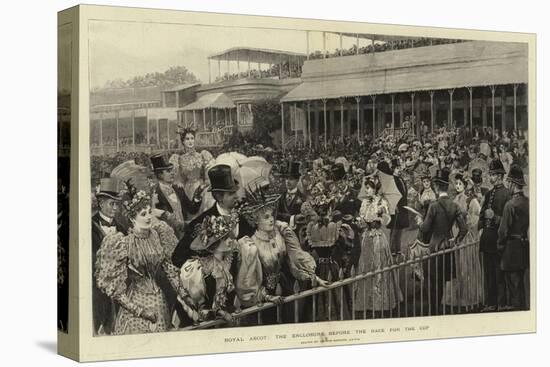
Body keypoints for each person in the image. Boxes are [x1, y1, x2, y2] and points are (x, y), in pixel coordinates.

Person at [95, 190, 193, 335]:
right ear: (132, 219)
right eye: (143, 214)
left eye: (149, 212)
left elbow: (169, 269)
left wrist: (185, 295)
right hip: (136, 303)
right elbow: (116, 291)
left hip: (160, 301)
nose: (148, 217)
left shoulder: (158, 235)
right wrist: (140, 311)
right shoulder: (123, 243)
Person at [239, 187, 328, 324]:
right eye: (266, 217)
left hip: (286, 290)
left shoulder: (280, 234)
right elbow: (248, 283)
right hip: (265, 299)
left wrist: (314, 277)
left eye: (272, 215)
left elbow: (293, 262)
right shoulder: (250, 245)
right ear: (256, 221)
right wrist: (267, 297)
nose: (271, 220)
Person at [172, 164, 255, 268]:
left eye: (235, 192)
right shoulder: (200, 223)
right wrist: (207, 266)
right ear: (219, 197)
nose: (236, 196)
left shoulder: (242, 216)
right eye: (231, 194)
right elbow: (178, 258)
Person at [417, 167, 468, 315]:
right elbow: (463, 229)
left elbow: (425, 229)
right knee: (442, 280)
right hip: (447, 247)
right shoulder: (454, 205)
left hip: (434, 246)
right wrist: (456, 241)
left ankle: (433, 309)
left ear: (437, 187)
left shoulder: (433, 206)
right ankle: (438, 307)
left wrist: (420, 221)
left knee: (432, 281)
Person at [355, 177, 402, 316]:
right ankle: (367, 301)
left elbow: (388, 220)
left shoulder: (381, 202)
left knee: (379, 265)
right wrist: (361, 222)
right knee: (366, 265)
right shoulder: (364, 202)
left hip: (378, 237)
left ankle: (380, 300)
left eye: (369, 188)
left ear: (375, 188)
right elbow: (362, 219)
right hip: (367, 237)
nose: (366, 190)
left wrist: (381, 216)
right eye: (366, 188)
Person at [442, 173, 483, 309]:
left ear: (465, 185)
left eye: (460, 184)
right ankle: (457, 298)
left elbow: (477, 217)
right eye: (457, 184)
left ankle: (469, 297)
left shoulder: (471, 200)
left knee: (466, 266)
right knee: (457, 267)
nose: (458, 186)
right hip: (456, 233)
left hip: (466, 237)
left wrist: (466, 219)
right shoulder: (454, 200)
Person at [91, 178, 124, 335]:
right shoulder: (89, 227)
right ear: (101, 203)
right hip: (96, 288)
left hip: (120, 287)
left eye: (117, 204)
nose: (115, 208)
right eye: (112, 203)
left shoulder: (123, 228)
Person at [478, 159, 510, 312]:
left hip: (498, 239)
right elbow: (481, 216)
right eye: (490, 174)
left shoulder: (507, 194)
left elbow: (509, 221)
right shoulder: (489, 193)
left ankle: (501, 303)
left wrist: (495, 217)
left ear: (499, 176)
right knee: (489, 274)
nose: (489, 177)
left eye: (492, 174)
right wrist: (482, 221)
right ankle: (491, 303)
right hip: (487, 239)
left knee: (499, 274)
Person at [498, 164, 529, 310]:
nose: (507, 185)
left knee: (513, 285)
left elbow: (503, 231)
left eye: (508, 182)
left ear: (512, 184)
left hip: (510, 249)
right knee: (521, 284)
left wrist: (500, 244)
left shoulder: (510, 205)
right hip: (523, 246)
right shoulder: (528, 202)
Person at [150, 153, 203, 238]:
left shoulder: (178, 189)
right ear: (159, 174)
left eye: (172, 170)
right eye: (168, 171)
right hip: (167, 237)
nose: (172, 173)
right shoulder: (154, 193)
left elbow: (192, 210)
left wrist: (197, 195)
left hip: (183, 235)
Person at [169, 127, 215, 221]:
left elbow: (207, 173)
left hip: (202, 187)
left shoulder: (202, 155)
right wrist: (180, 182)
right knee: (193, 215)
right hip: (188, 189)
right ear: (183, 141)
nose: (190, 141)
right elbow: (178, 178)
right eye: (187, 139)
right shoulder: (179, 158)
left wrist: (205, 183)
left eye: (192, 138)